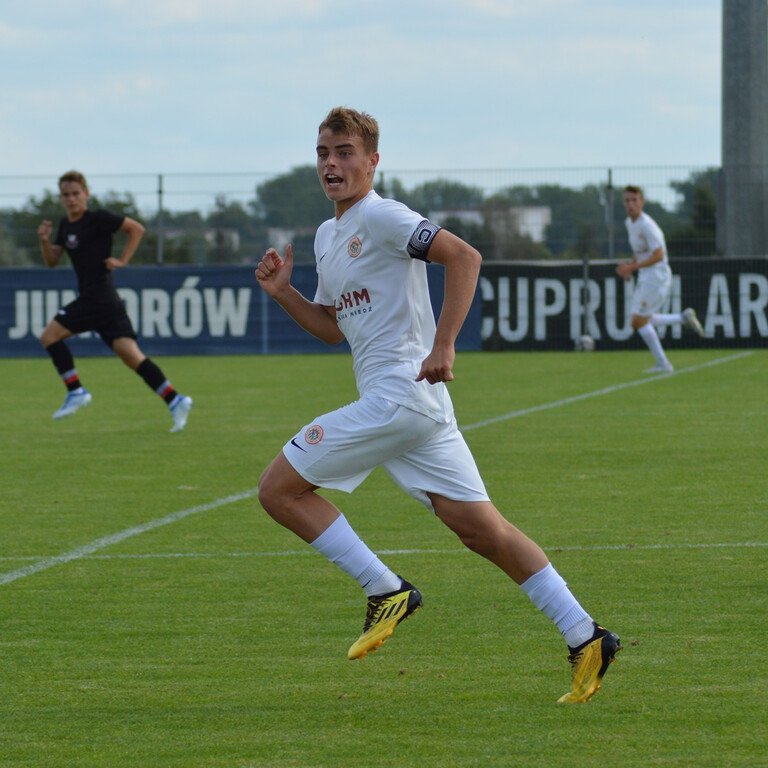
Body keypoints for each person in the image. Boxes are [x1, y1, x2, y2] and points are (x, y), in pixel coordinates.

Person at [254, 107, 621, 703]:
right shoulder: (328, 236)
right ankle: (586, 635)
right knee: (483, 531)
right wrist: (283, 292)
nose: (331, 163)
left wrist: (444, 342)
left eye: (345, 152)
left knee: (278, 489)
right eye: (323, 152)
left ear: (373, 161)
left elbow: (464, 257)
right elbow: (330, 328)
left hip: (402, 393)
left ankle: (384, 589)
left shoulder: (383, 215)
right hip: (411, 405)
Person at [38, 170, 193, 432]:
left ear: (86, 194)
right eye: (66, 195)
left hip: (97, 297)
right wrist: (44, 241)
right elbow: (52, 261)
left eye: (76, 193)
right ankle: (175, 399)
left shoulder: (98, 218)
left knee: (49, 336)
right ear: (61, 198)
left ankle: (75, 390)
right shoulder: (65, 226)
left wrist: (122, 260)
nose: (71, 199)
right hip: (104, 299)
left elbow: (136, 228)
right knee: (132, 356)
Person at [617, 185, 705, 373]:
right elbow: (639, 250)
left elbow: (659, 255)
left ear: (642, 202)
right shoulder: (629, 223)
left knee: (638, 321)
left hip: (657, 275)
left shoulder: (647, 225)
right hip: (646, 274)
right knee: (642, 319)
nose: (631, 204)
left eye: (634, 200)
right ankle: (682, 319)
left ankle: (664, 364)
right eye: (627, 200)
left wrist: (632, 267)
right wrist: (631, 267)